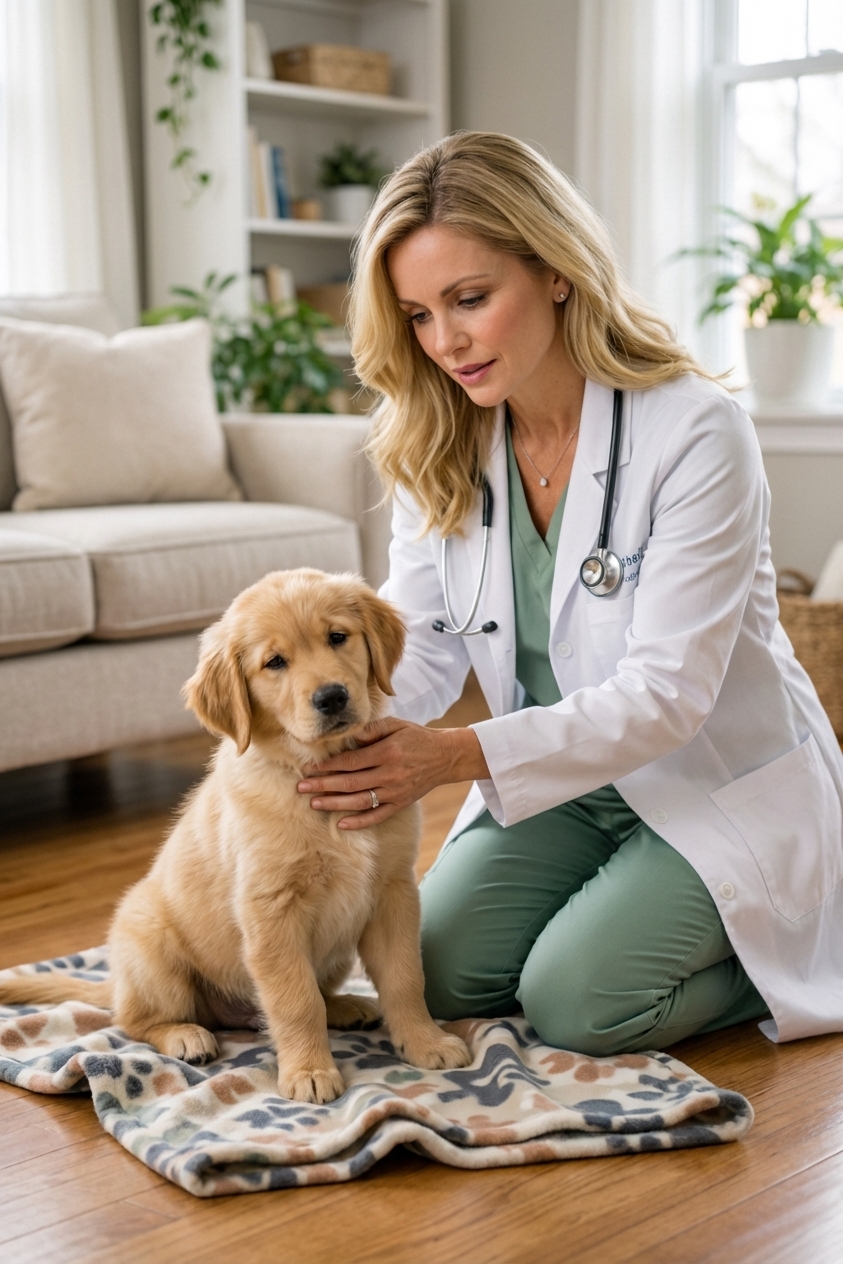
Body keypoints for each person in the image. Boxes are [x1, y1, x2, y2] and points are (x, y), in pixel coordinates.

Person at [296, 131, 843, 1054]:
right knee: (430, 969)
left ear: (554, 269)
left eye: (470, 299)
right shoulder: (442, 440)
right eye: (418, 314)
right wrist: (330, 719)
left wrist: (447, 755)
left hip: (708, 781)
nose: (446, 342)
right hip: (568, 787)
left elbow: (665, 698)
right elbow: (420, 646)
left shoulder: (695, 432)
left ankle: (802, 946)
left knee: (576, 1003)